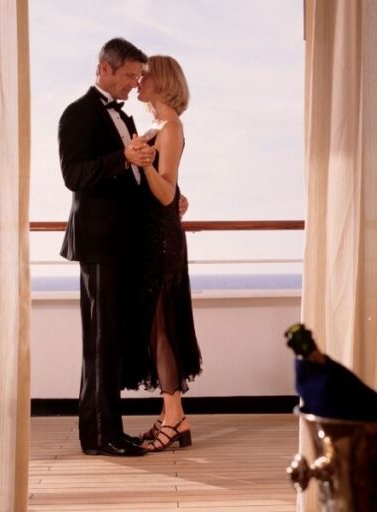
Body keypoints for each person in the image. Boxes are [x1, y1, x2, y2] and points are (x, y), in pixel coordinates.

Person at [58, 37, 155, 457]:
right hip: (98, 243)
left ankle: (111, 431)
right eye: (130, 75)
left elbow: (132, 180)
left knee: (113, 341)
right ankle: (98, 437)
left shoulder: (126, 119)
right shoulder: (77, 114)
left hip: (122, 242)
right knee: (100, 342)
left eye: (138, 76)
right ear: (105, 69)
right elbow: (74, 175)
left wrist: (170, 195)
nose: (135, 84)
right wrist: (123, 158)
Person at [128, 55, 203, 452]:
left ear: (164, 81)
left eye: (146, 74)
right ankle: (172, 414)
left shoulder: (171, 127)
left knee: (163, 327)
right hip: (151, 236)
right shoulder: (154, 127)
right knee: (155, 327)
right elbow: (170, 192)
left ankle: (174, 417)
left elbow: (165, 192)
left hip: (162, 240)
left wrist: (143, 163)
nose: (139, 79)